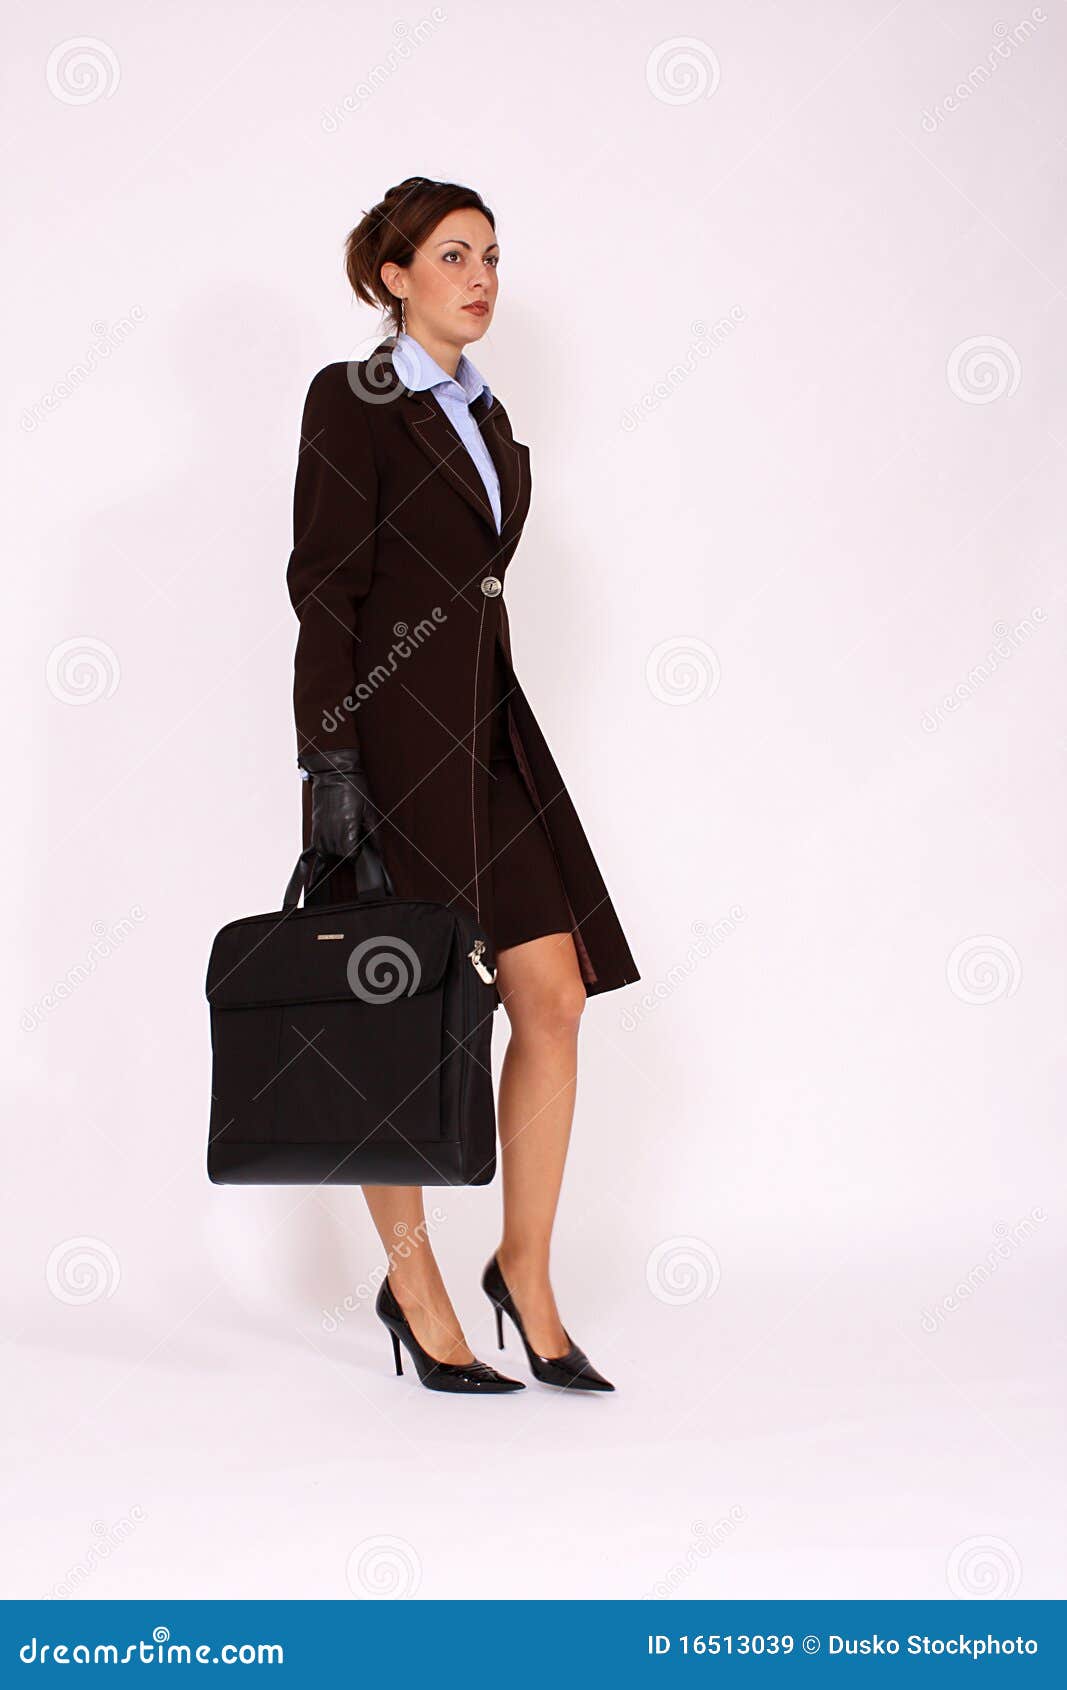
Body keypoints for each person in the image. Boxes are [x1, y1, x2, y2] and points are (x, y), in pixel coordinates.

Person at [286, 176, 640, 1393]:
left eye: (490, 254)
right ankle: (414, 1283)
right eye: (450, 255)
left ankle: (524, 1273)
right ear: (392, 279)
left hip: (489, 735)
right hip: (390, 743)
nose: (480, 275)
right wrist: (328, 762)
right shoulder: (354, 400)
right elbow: (324, 588)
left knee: (554, 994)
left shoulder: (484, 418)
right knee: (407, 1017)